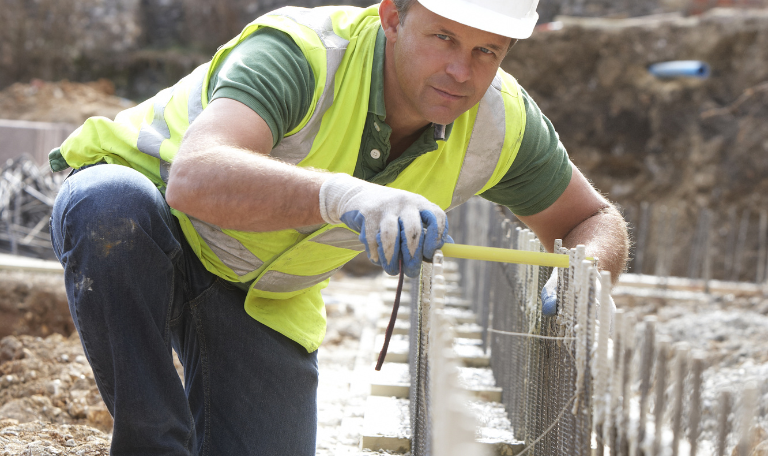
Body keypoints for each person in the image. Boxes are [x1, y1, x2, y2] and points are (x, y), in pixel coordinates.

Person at [48, 0, 629, 454]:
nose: (461, 71)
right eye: (444, 38)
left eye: (488, 51)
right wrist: (342, 194)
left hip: (260, 295)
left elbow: (592, 219)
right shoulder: (303, 53)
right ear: (394, 17)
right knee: (110, 207)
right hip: (152, 221)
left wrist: (586, 279)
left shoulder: (502, 124)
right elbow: (194, 179)